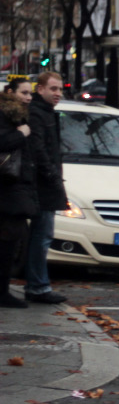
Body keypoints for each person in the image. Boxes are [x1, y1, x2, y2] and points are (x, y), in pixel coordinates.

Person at [23, 72, 69, 304]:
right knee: (42, 236)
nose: (58, 93)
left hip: (43, 184)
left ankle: (37, 284)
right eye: (53, 89)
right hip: (42, 186)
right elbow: (39, 149)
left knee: (39, 236)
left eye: (60, 89)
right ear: (39, 89)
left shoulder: (45, 113)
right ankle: (38, 287)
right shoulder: (38, 114)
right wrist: (52, 175)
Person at [0, 78, 39, 307]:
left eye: (30, 93)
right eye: (24, 92)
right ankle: (2, 293)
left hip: (13, 189)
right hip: (6, 189)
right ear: (10, 92)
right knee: (7, 243)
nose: (28, 97)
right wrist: (21, 133)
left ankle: (3, 290)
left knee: (10, 242)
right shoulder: (7, 116)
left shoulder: (19, 116)